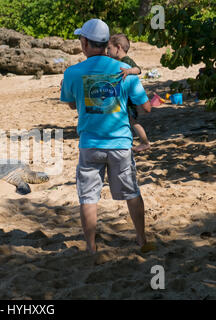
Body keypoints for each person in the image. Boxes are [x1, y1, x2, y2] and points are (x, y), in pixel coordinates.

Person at [60, 19, 152, 254]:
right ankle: (141, 239)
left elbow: (71, 103)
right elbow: (144, 105)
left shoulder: (72, 72)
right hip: (120, 143)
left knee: (88, 197)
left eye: (81, 39)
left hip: (90, 144)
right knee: (131, 191)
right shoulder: (125, 71)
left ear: (85, 43)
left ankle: (91, 247)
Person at [107, 33, 150, 152]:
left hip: (130, 101)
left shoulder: (126, 61)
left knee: (132, 121)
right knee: (127, 121)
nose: (107, 51)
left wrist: (129, 71)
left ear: (118, 47)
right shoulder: (118, 62)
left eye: (109, 48)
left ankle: (145, 142)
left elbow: (138, 69)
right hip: (126, 99)